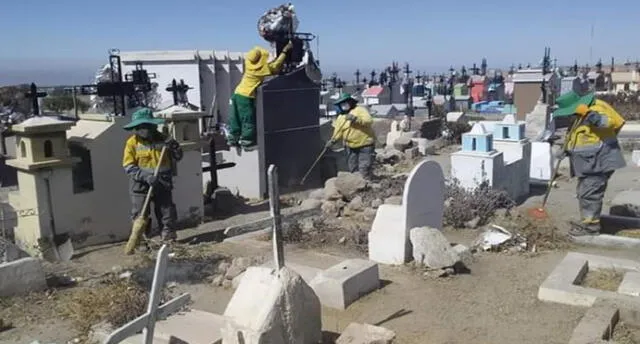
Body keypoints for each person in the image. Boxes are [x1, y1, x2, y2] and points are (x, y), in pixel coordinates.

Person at [554, 91, 626, 236]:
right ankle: (588, 221)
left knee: (590, 193)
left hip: (599, 160)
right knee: (584, 192)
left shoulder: (594, 110)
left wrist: (589, 115)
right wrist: (567, 149)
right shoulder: (578, 116)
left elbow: (608, 123)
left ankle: (590, 227)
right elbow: (581, 137)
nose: (568, 116)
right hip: (589, 162)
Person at [122, 108, 183, 242]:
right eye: (139, 127)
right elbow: (128, 166)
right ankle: (143, 242)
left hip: (163, 182)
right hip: (141, 185)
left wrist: (173, 145)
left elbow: (178, 156)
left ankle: (168, 240)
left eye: (146, 126)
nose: (143, 130)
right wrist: (145, 176)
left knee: (166, 213)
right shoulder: (132, 143)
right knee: (140, 215)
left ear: (152, 126)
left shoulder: (164, 138)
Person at [227, 41, 293, 148]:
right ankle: (247, 142)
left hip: (237, 93)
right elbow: (276, 66)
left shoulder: (249, 65)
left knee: (235, 118)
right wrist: (285, 51)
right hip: (246, 96)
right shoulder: (260, 71)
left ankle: (232, 139)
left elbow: (269, 65)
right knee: (247, 119)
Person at [326, 93, 376, 178]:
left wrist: (355, 119)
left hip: (365, 144)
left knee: (364, 168)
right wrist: (333, 141)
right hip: (351, 147)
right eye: (342, 104)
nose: (344, 105)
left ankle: (366, 185)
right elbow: (338, 132)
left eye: (345, 102)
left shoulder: (360, 110)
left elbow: (369, 121)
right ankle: (356, 186)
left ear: (350, 102)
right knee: (353, 168)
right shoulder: (341, 117)